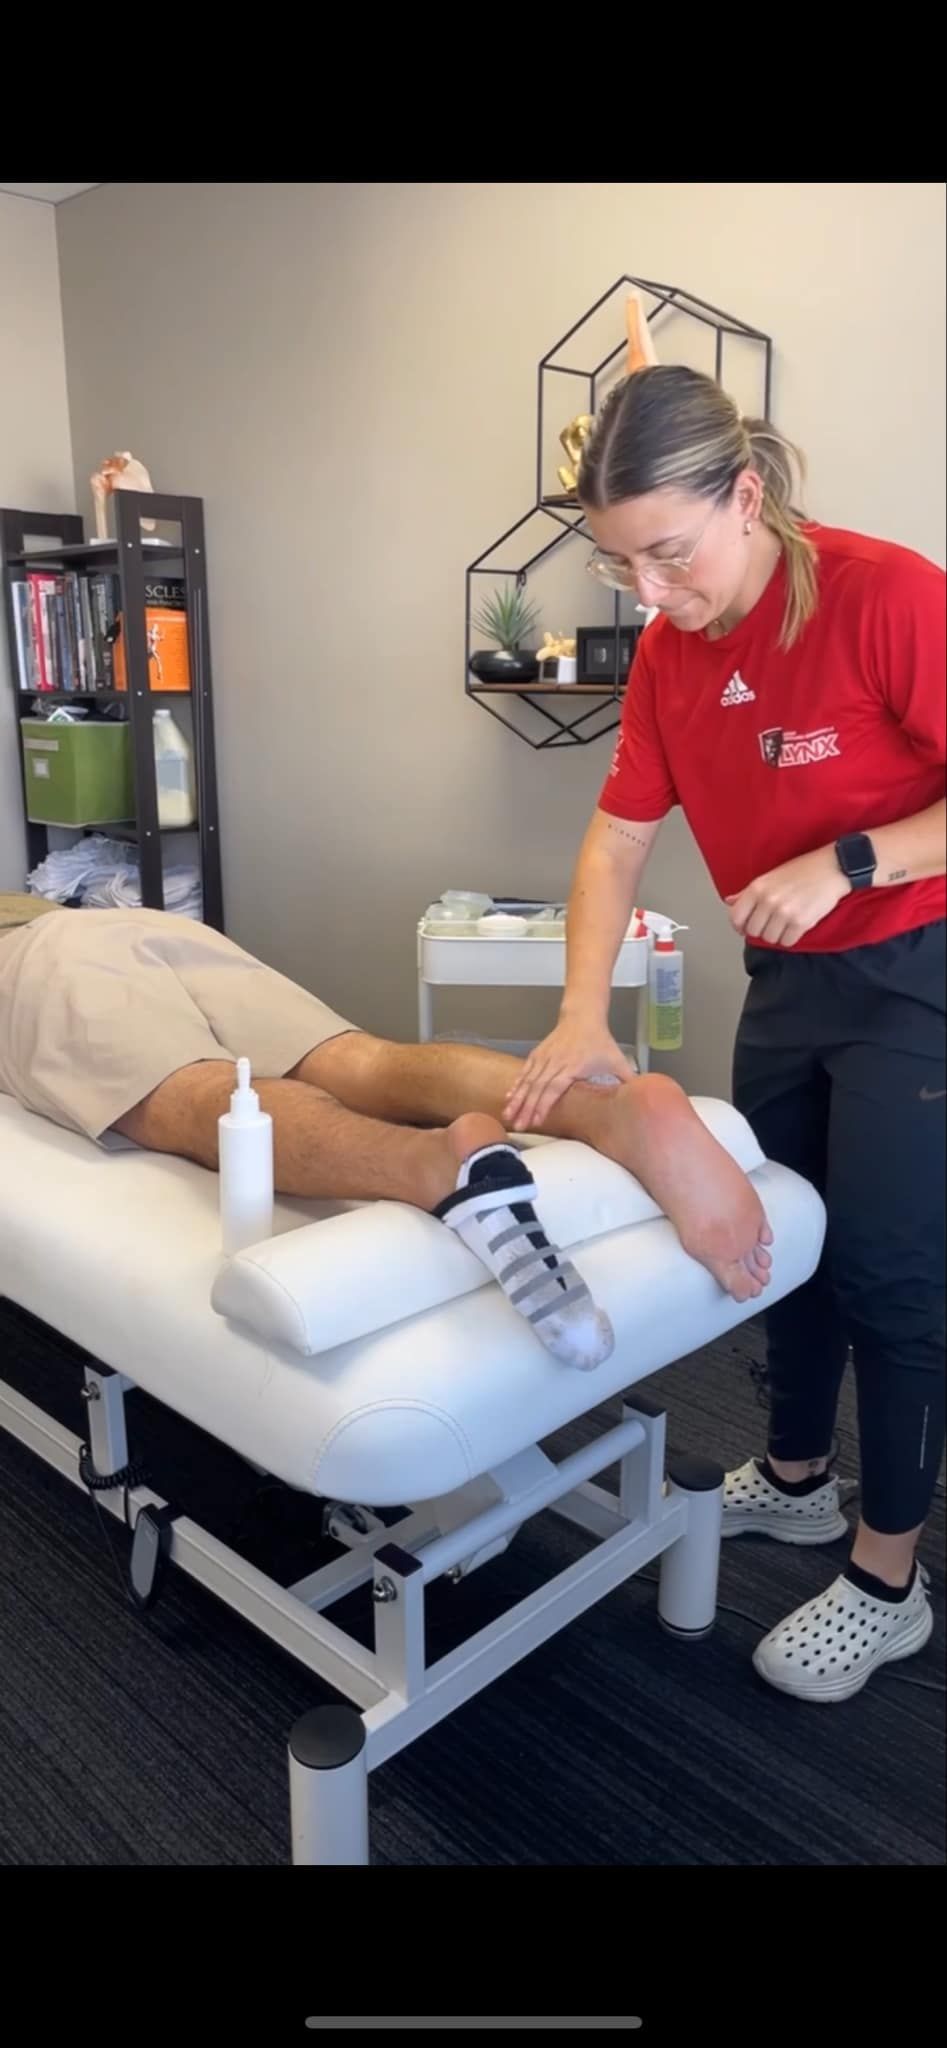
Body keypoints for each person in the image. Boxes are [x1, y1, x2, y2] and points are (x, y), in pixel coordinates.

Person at [504, 363, 945, 1701]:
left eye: (666, 554)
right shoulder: (671, 657)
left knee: (884, 1270)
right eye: (618, 562)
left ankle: (888, 1574)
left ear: (742, 497)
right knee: (786, 1240)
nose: (646, 592)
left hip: (914, 965)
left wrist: (853, 859)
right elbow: (614, 839)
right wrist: (582, 1017)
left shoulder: (885, 595)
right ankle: (801, 1478)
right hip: (787, 977)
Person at [0, 892, 774, 1372]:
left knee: (196, 1093)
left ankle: (435, 1170)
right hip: (124, 924)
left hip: (35, 957)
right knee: (360, 1060)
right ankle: (605, 1110)